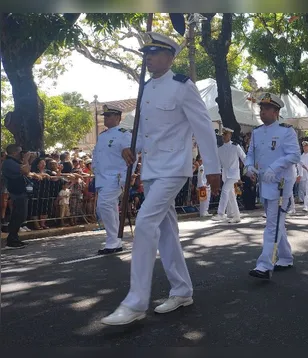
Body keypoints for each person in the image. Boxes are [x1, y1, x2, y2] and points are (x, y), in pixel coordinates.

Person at [101, 32, 222, 326]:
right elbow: (145, 131)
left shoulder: (182, 86)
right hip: (153, 168)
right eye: (146, 53)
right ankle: (182, 290)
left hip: (174, 168)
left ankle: (135, 301)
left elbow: (203, 126)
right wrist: (134, 148)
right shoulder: (146, 89)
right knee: (167, 233)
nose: (149, 58)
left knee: (144, 223)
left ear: (170, 56)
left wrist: (214, 167)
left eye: (154, 53)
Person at [244, 93, 300, 279]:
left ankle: (265, 264)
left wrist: (274, 168)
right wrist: (249, 166)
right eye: (261, 108)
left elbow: (294, 155)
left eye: (267, 109)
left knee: (272, 224)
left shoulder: (286, 131)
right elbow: (250, 153)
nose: (262, 112)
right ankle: (285, 256)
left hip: (281, 182)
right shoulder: (257, 131)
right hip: (264, 182)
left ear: (276, 112)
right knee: (275, 222)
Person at [92, 105, 132, 254]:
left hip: (115, 177)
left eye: (109, 116)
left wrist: (127, 178)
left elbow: (130, 158)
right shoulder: (102, 136)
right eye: (105, 116)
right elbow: (96, 155)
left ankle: (112, 241)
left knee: (104, 206)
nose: (106, 118)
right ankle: (116, 240)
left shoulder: (124, 134)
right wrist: (95, 169)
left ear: (117, 117)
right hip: (102, 178)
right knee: (109, 209)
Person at [1, 145, 37, 249]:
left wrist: (28, 160)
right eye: (20, 152)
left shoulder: (14, 162)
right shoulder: (8, 162)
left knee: (21, 216)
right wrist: (26, 159)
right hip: (16, 192)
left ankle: (14, 239)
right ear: (15, 153)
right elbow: (25, 171)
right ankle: (11, 241)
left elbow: (27, 170)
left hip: (20, 191)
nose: (22, 154)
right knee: (18, 216)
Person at [213, 127, 246, 223]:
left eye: (226, 134)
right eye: (223, 134)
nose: (224, 136)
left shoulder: (235, 146)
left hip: (233, 174)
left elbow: (244, 158)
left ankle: (221, 214)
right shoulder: (220, 149)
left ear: (230, 135)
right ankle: (236, 216)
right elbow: (218, 164)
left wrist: (249, 169)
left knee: (225, 190)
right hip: (225, 175)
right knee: (231, 196)